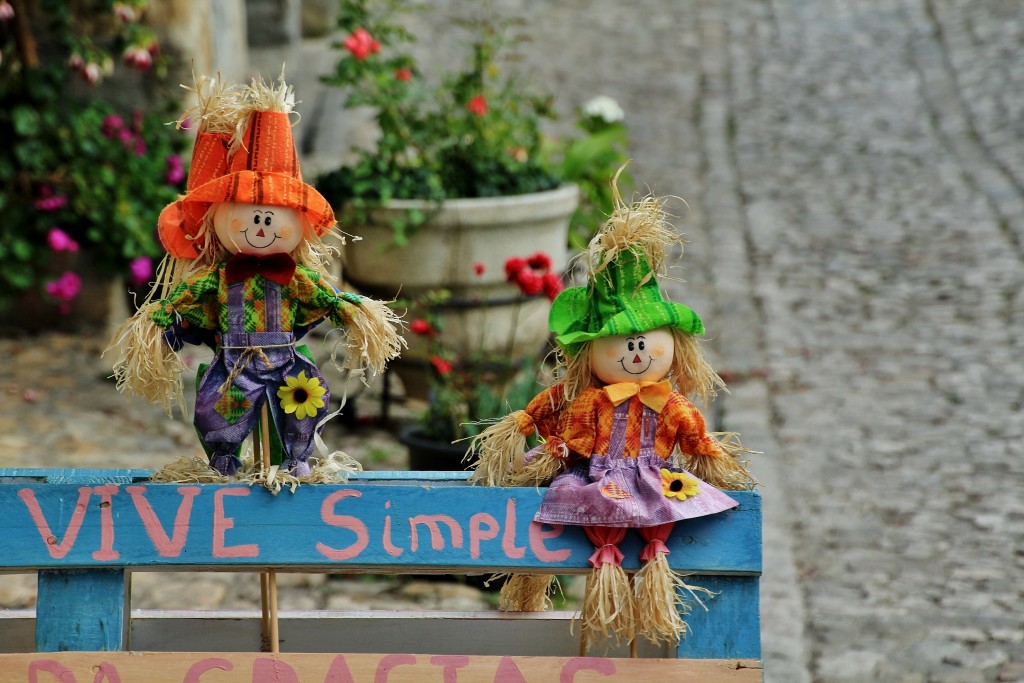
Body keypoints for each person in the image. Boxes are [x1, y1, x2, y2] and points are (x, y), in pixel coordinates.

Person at [470, 183, 754, 651]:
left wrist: (714, 460)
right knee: (589, 526)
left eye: (645, 340)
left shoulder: (669, 403)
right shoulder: (587, 400)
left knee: (656, 533)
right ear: (591, 353)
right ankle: (596, 587)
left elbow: (695, 438)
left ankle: (651, 589)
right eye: (622, 341)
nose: (637, 352)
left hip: (656, 479)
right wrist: (531, 436)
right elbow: (557, 417)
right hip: (599, 477)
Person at [109, 75, 403, 477]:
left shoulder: (296, 278)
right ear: (219, 221)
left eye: (272, 217)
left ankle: (297, 459)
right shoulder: (216, 279)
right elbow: (182, 300)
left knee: (303, 405)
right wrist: (160, 321)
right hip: (233, 363)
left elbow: (328, 299)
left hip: (285, 360)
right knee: (217, 410)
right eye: (250, 216)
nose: (261, 225)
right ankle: (224, 457)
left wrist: (354, 314)